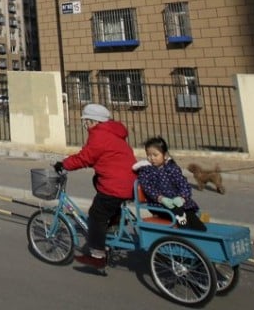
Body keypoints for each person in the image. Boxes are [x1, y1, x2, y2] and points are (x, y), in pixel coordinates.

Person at [54, 103, 136, 270]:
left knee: (96, 214)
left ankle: (97, 255)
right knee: (103, 196)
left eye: (86, 121)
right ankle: (111, 229)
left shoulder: (99, 135)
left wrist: (64, 164)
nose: (85, 125)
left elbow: (85, 158)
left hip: (116, 185)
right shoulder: (113, 132)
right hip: (128, 181)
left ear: (93, 121)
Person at [133, 136, 206, 231]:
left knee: (190, 215)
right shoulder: (146, 171)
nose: (152, 158)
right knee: (181, 216)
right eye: (149, 155)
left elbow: (183, 184)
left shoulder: (172, 168)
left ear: (165, 155)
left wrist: (182, 198)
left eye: (155, 155)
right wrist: (161, 198)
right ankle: (186, 233)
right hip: (159, 205)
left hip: (178, 202)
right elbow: (148, 188)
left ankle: (201, 234)